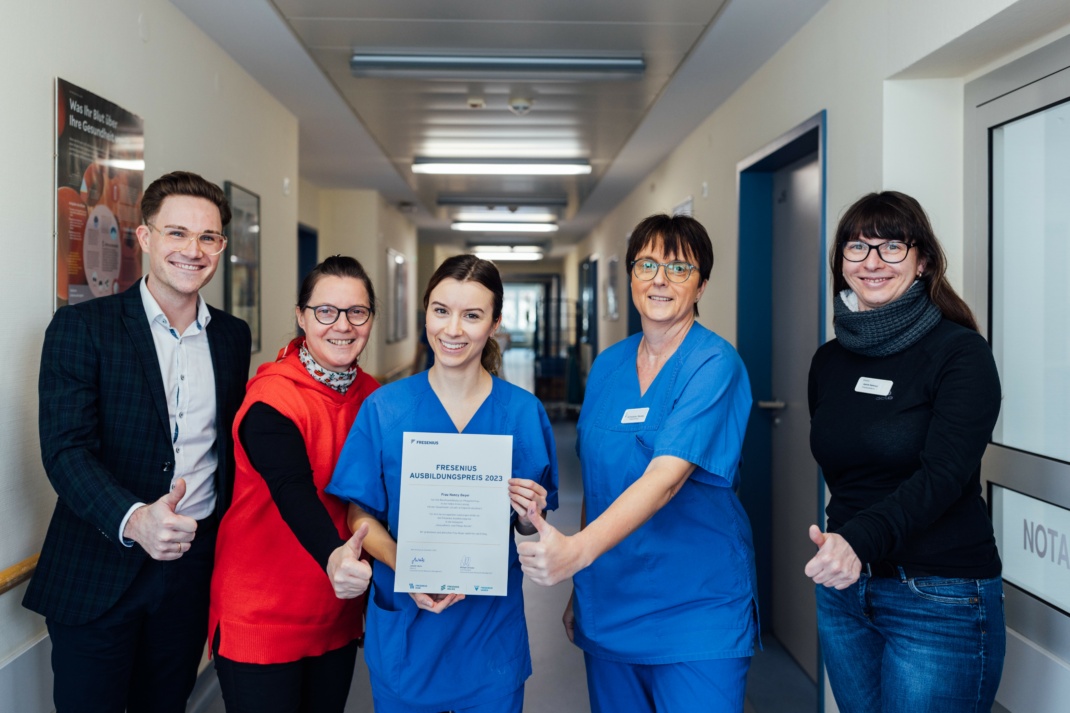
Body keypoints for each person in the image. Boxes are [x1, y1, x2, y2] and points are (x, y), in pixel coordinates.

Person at [25, 171, 252, 713]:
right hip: (99, 567)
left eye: (207, 238)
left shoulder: (231, 336)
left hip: (191, 570)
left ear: (220, 246)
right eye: (176, 233)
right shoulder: (82, 328)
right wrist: (136, 519)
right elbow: (65, 450)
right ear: (145, 238)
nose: (192, 251)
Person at [519, 214, 758, 713]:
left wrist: (576, 553)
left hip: (695, 605)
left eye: (678, 267)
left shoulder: (714, 364)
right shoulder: (608, 364)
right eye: (647, 264)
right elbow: (598, 486)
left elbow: (665, 480)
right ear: (631, 276)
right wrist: (581, 589)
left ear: (702, 284)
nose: (659, 279)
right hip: (609, 602)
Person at [326, 254, 559, 713]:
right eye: (440, 310)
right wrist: (409, 568)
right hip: (409, 634)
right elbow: (360, 516)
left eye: (472, 315)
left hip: (489, 636)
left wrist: (532, 517)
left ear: (494, 323)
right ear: (426, 313)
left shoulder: (522, 413)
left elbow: (532, 527)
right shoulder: (385, 409)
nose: (452, 329)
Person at [804, 191, 1005, 712]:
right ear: (840, 263)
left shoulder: (960, 353)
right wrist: (845, 549)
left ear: (923, 263)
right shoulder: (829, 361)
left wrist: (858, 539)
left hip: (939, 598)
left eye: (891, 246)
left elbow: (943, 475)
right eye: (857, 247)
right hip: (846, 590)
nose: (872, 262)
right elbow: (845, 469)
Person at [208, 256, 377, 712]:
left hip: (335, 609)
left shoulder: (376, 399)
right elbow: (291, 488)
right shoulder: (271, 398)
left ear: (370, 319)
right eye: (325, 311)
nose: (342, 325)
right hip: (262, 615)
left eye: (356, 312)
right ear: (302, 317)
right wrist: (334, 554)